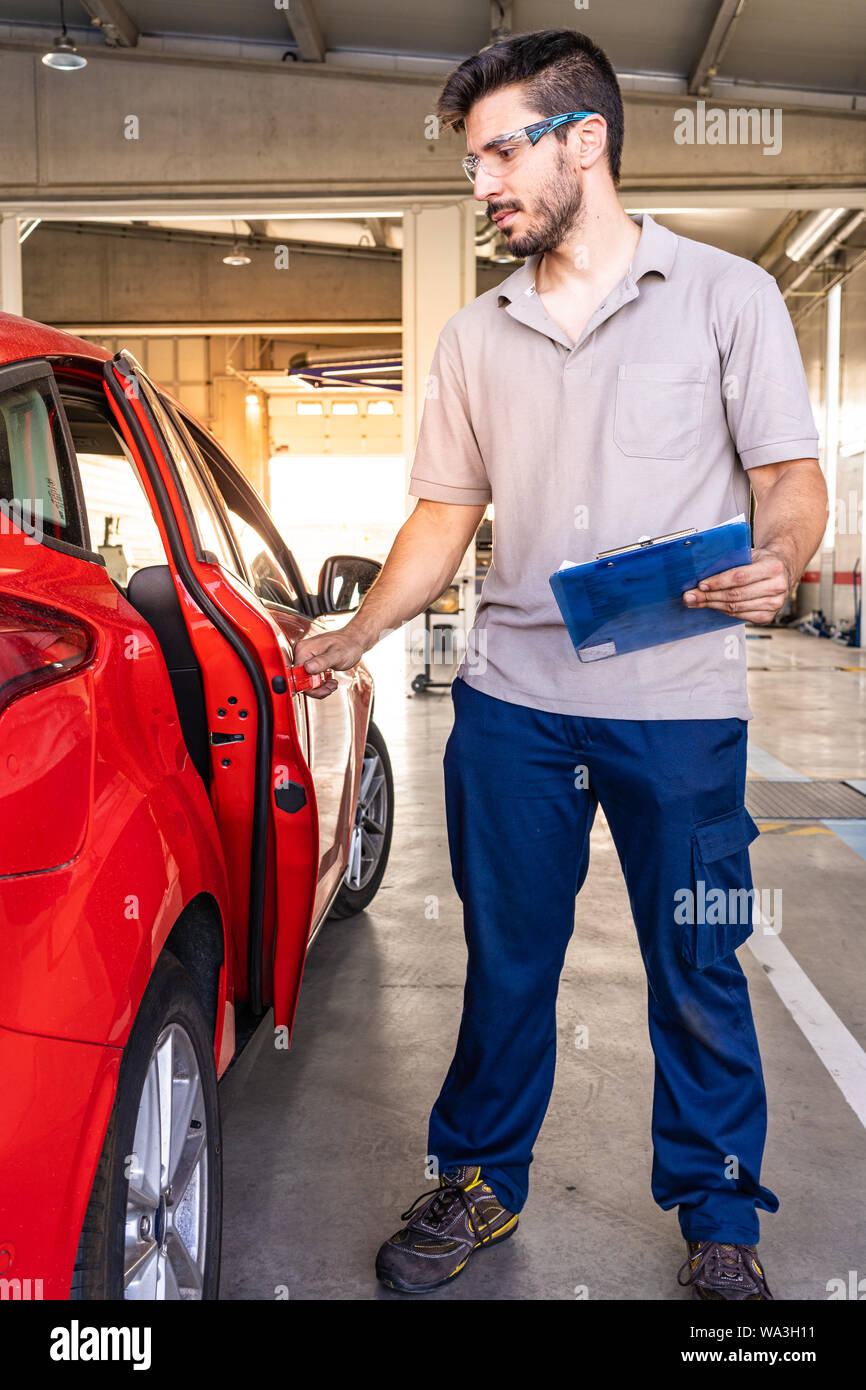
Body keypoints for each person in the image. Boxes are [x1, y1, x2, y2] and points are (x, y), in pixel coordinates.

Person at [294, 28, 827, 1300]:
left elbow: (788, 484)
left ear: (583, 140)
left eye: (496, 153)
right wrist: (357, 630)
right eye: (470, 161)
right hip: (512, 708)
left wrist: (781, 560)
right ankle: (479, 1177)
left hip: (676, 707)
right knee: (508, 954)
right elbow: (442, 516)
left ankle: (717, 1210)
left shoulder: (723, 297)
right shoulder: (475, 336)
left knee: (695, 954)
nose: (478, 183)